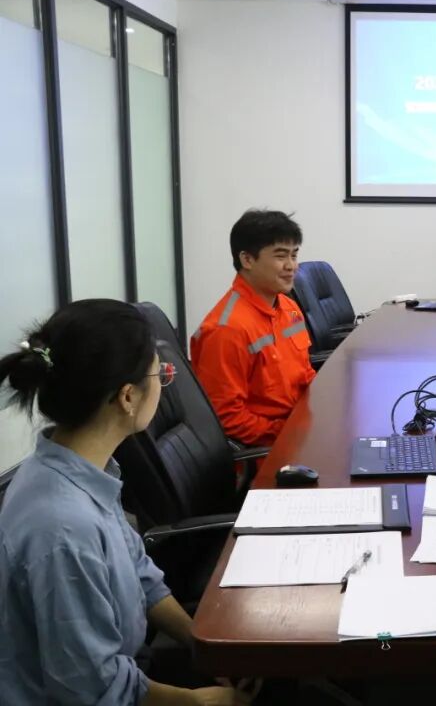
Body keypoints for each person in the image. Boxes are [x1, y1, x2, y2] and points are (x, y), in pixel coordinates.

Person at [0, 300, 255, 705]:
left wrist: (201, 643)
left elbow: (140, 575)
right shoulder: (63, 527)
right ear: (128, 397)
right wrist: (197, 701)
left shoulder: (80, 467)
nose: (164, 382)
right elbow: (92, 690)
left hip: (128, 671)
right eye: (160, 374)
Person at [191, 209, 316, 446]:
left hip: (300, 427)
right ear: (247, 260)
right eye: (281, 256)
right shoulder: (226, 330)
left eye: (294, 255)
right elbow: (226, 418)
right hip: (270, 448)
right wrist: (289, 432)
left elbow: (304, 373)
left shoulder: (288, 307)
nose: (291, 266)